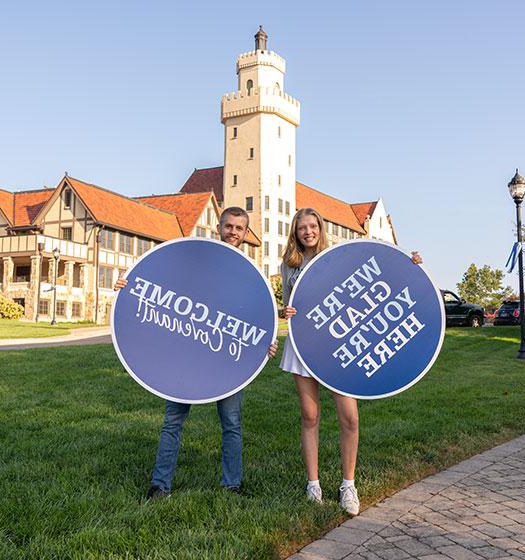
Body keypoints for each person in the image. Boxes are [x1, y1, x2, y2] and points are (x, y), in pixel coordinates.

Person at [113, 207, 277, 499]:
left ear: (245, 232)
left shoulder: (248, 273)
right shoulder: (199, 257)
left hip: (227, 361)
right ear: (218, 227)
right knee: (172, 421)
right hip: (186, 355)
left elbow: (253, 315)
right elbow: (169, 283)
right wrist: (130, 285)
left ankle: (232, 485)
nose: (233, 233)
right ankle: (160, 485)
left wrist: (264, 345)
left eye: (239, 228)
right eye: (229, 226)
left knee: (232, 423)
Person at [279, 208, 420, 516]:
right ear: (295, 232)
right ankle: (313, 484)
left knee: (350, 418)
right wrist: (283, 313)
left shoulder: (338, 257)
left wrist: (410, 266)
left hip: (341, 346)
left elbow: (377, 274)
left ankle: (348, 485)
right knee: (309, 415)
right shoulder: (289, 266)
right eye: (301, 227)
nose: (308, 232)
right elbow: (288, 306)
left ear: (320, 228)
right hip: (305, 346)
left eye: (312, 226)